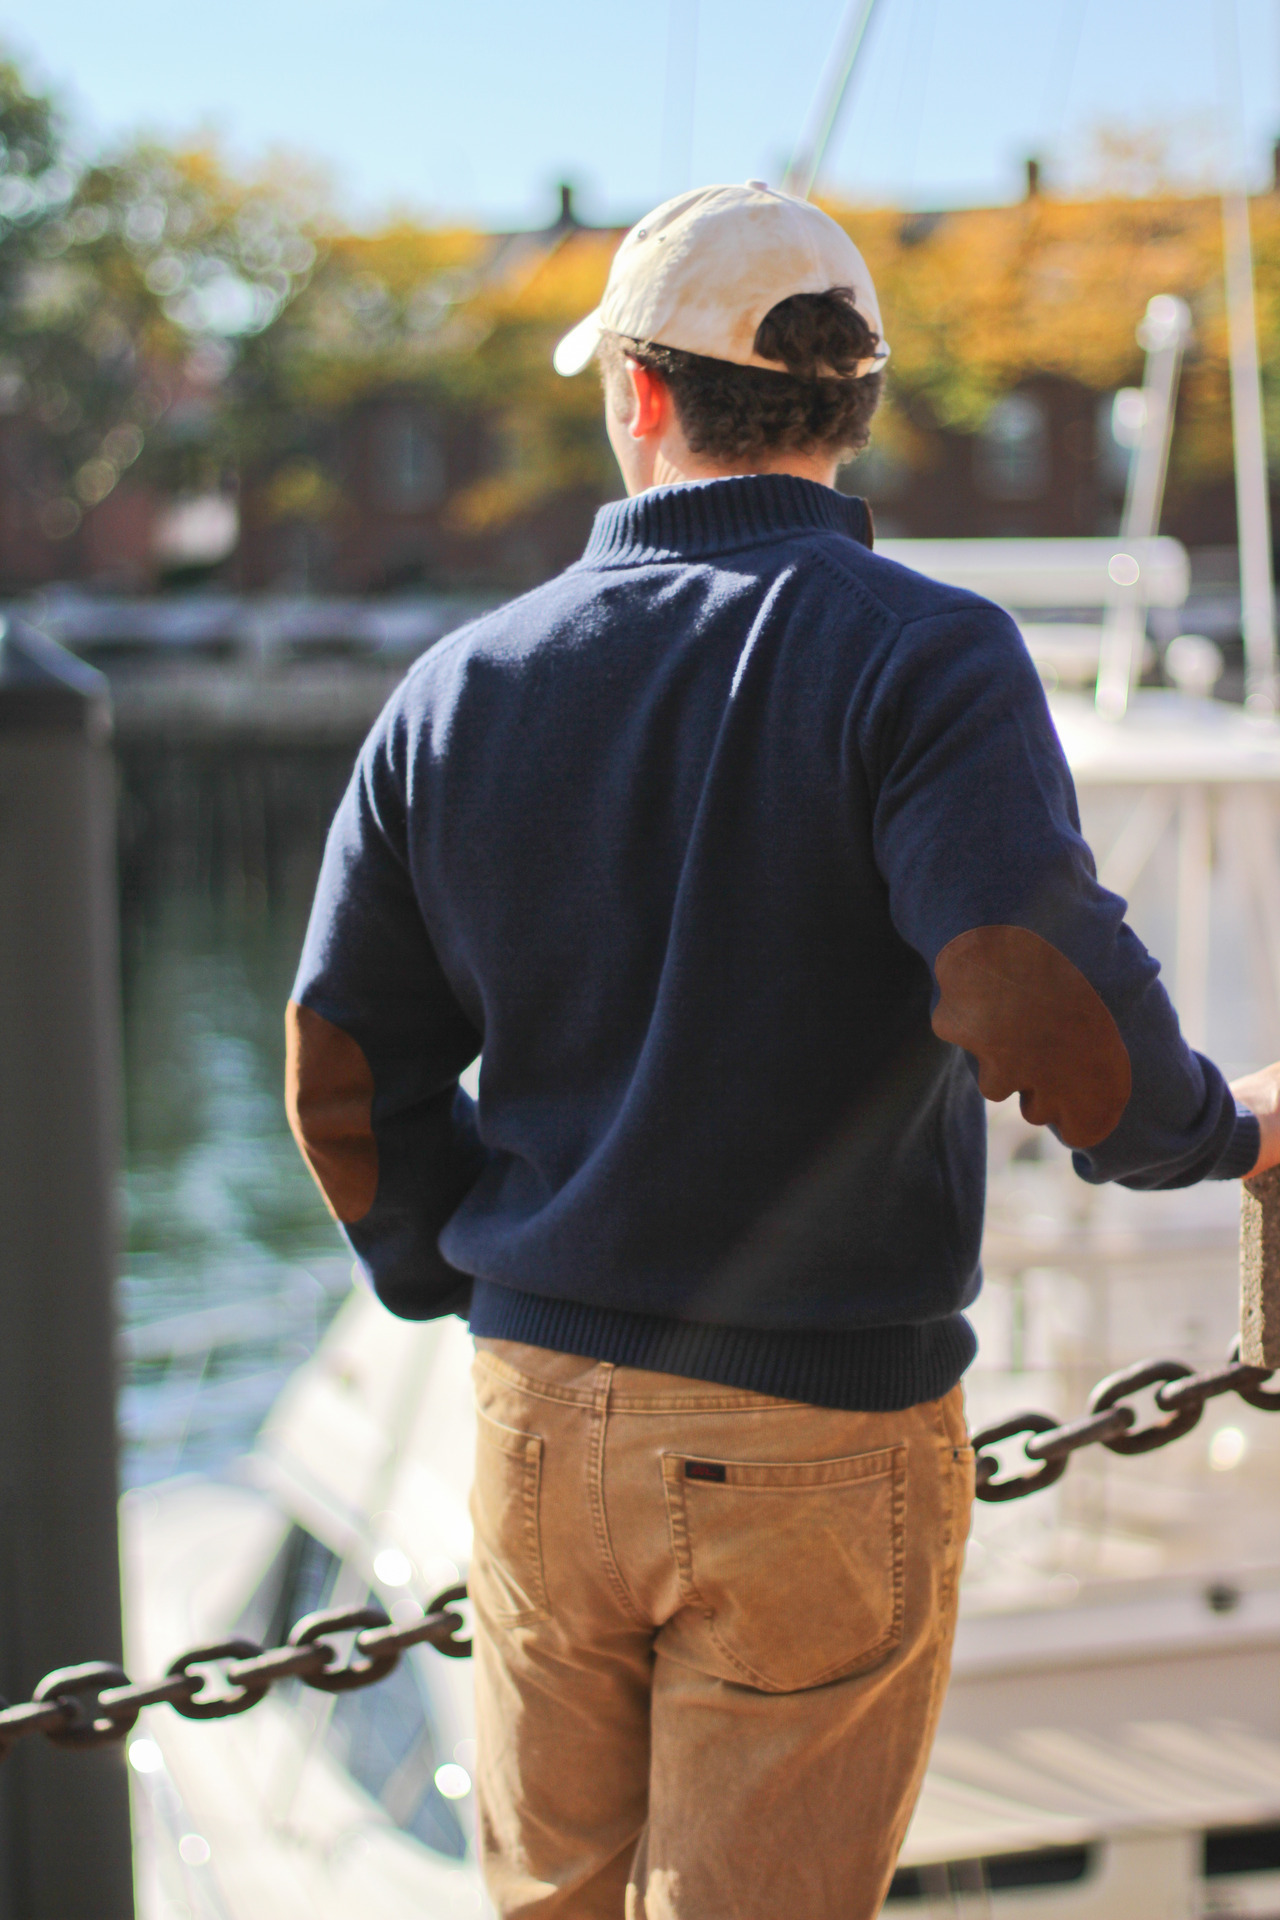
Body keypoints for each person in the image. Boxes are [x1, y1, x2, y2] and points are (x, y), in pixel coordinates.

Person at [285, 182, 1280, 1920]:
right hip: (819, 1432)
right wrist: (1211, 1137)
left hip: (539, 1412)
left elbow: (342, 1060)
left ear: (639, 398)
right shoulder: (925, 652)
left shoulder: (457, 686)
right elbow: (1026, 975)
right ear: (856, 405)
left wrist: (474, 1275)